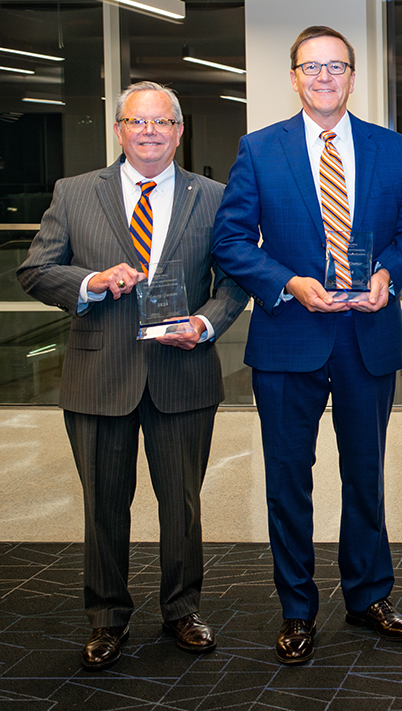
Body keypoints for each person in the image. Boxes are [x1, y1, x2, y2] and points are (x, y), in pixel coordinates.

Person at [211, 26, 402, 665]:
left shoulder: (391, 150)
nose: (325, 77)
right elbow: (230, 241)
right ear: (295, 76)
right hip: (287, 337)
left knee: (365, 476)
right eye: (312, 67)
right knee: (287, 479)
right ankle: (298, 608)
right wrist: (288, 284)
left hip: (366, 334)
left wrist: (387, 274)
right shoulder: (258, 150)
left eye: (336, 66)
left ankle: (368, 597)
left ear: (353, 76)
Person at [17, 81, 247, 670]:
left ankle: (182, 610)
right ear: (118, 129)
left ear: (179, 131)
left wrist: (205, 322)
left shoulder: (215, 197)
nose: (150, 132)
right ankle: (107, 617)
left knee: (183, 504)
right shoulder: (73, 193)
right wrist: (91, 283)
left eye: (163, 122)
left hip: (184, 372)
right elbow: (36, 271)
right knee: (103, 506)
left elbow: (234, 280)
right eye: (137, 122)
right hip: (100, 375)